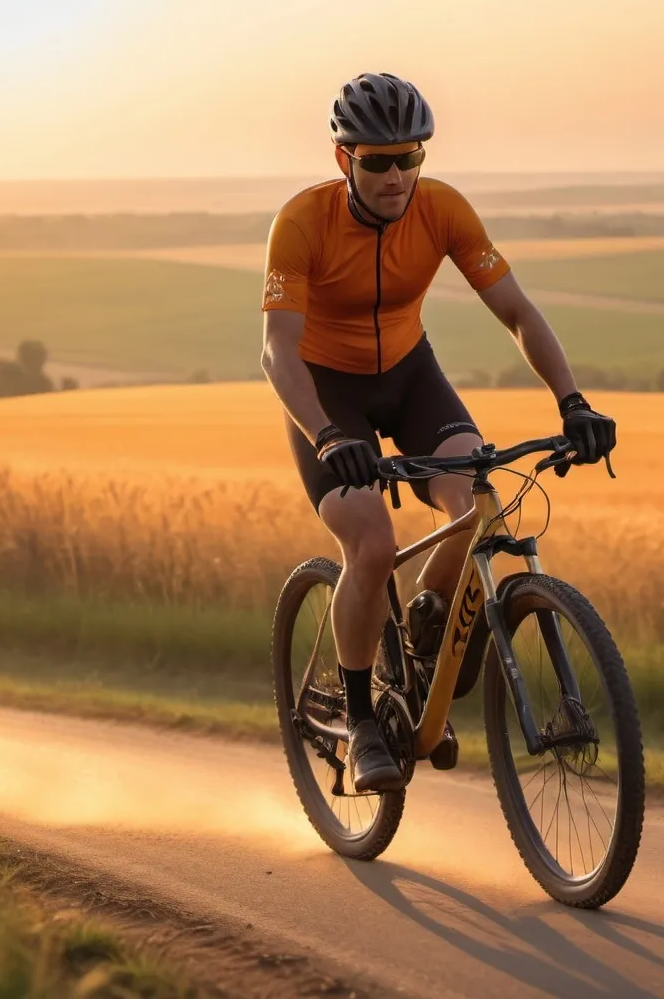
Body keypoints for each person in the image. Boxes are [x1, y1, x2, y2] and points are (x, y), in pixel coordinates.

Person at [260, 72, 616, 793]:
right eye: (378, 161)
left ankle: (424, 637)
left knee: (475, 501)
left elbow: (516, 311)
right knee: (372, 543)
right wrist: (329, 435)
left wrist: (572, 402)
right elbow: (276, 350)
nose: (397, 175)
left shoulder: (445, 210)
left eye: (411, 157)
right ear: (344, 160)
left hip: (410, 376)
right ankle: (362, 723)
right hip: (325, 392)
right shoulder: (302, 221)